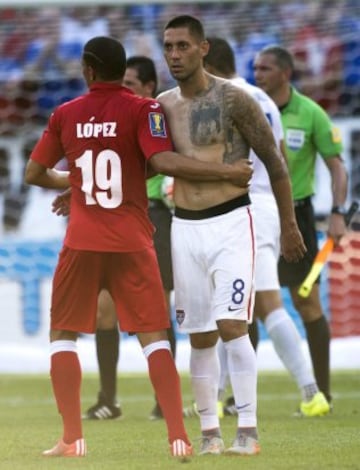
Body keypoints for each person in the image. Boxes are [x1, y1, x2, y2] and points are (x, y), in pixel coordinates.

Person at [24, 36, 253, 459]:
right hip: (132, 239)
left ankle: (73, 438)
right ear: (120, 69)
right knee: (155, 338)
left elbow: (34, 172)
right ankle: (178, 437)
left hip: (82, 241)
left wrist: (72, 182)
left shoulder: (65, 114)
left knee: (62, 336)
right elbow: (157, 160)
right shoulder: (145, 110)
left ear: (88, 70)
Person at [157, 16, 306, 456]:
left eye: (183, 46)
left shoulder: (235, 99)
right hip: (184, 226)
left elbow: (276, 165)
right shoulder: (162, 106)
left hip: (231, 224)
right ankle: (208, 434)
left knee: (232, 326)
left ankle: (248, 428)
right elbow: (147, 162)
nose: (174, 55)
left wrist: (290, 224)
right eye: (168, 47)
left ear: (203, 49)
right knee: (199, 335)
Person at [203, 37, 331, 417]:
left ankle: (311, 392)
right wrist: (285, 217)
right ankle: (224, 393)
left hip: (244, 208)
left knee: (265, 304)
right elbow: (279, 162)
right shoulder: (264, 100)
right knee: (236, 306)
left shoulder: (223, 99)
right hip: (265, 206)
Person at [253, 45, 348, 408]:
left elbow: (336, 165)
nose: (257, 73)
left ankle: (321, 390)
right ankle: (235, 398)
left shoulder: (311, 114)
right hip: (257, 213)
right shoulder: (250, 105)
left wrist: (338, 211)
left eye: (265, 68)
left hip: (297, 215)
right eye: (255, 67)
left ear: (285, 73)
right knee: (247, 302)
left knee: (305, 300)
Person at [83, 55, 176, 421]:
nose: (123, 90)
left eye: (131, 84)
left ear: (150, 87)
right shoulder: (104, 117)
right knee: (104, 308)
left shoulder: (156, 116)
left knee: (158, 310)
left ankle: (163, 399)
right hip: (109, 217)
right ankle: (108, 399)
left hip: (152, 215)